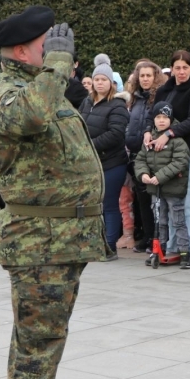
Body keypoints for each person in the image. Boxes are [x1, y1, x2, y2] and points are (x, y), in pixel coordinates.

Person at [0, 7, 104, 379]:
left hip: (58, 242)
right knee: (37, 345)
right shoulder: (8, 95)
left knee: (44, 342)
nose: (57, 51)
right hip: (39, 244)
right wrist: (57, 66)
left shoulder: (38, 89)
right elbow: (33, 117)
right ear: (19, 51)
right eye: (45, 45)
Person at [145, 50, 190, 268]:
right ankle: (172, 248)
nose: (181, 72)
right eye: (177, 67)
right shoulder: (164, 89)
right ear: (171, 68)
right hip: (164, 155)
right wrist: (147, 130)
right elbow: (151, 115)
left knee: (188, 202)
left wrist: (168, 134)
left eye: (185, 67)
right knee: (168, 202)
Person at [79, 60, 129, 257]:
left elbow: (116, 134)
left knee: (109, 204)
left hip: (112, 163)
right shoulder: (87, 102)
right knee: (91, 205)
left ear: (111, 83)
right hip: (90, 163)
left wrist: (88, 146)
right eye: (96, 79)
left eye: (103, 79)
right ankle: (93, 242)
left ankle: (109, 246)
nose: (99, 83)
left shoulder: (117, 105)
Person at [135, 100, 190, 264]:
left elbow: (180, 162)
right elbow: (140, 160)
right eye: (158, 117)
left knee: (178, 221)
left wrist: (160, 176)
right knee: (160, 221)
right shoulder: (149, 139)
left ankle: (184, 253)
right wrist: (143, 174)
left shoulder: (178, 141)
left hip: (174, 189)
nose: (161, 120)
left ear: (171, 120)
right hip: (156, 190)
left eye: (165, 117)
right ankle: (159, 251)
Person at [125, 60, 166, 253]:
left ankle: (157, 237)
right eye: (142, 75)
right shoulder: (135, 99)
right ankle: (147, 235)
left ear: (155, 77)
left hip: (152, 153)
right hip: (135, 153)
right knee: (141, 198)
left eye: (149, 75)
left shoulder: (159, 97)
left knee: (154, 199)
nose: (145, 79)